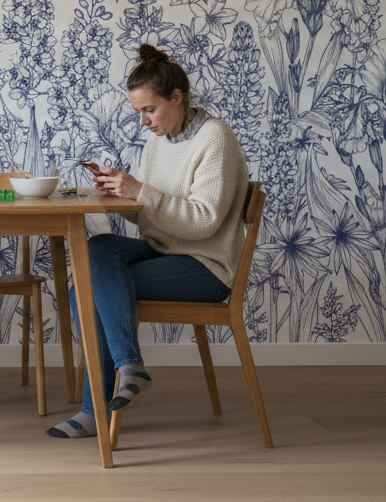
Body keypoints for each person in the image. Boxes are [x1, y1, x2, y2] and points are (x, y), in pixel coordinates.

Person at [48, 44, 249, 438]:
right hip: (164, 251)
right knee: (95, 253)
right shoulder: (161, 140)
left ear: (176, 98)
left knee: (86, 290)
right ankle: (130, 369)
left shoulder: (216, 139)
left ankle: (97, 407)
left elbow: (204, 222)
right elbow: (154, 208)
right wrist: (121, 192)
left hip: (206, 266)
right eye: (138, 111)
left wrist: (139, 191)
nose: (142, 121)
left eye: (149, 110)